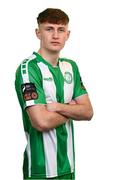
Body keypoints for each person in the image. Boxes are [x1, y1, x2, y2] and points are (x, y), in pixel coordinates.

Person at [15, 8, 93, 180]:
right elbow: (41, 122)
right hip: (40, 170)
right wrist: (72, 109)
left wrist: (57, 107)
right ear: (38, 33)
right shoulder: (29, 68)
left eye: (61, 30)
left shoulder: (71, 67)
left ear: (68, 34)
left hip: (68, 167)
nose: (55, 35)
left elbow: (88, 112)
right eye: (49, 29)